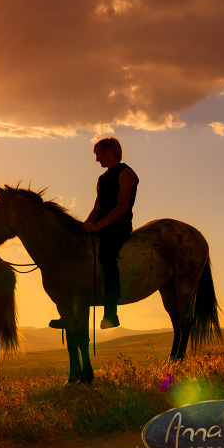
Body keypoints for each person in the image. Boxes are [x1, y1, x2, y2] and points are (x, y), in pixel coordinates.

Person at [83, 137, 139, 329]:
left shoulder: (126, 173)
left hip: (119, 226)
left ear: (111, 151)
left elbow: (122, 207)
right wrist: (85, 226)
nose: (97, 159)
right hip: (102, 225)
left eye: (99, 153)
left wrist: (98, 227)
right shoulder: (102, 179)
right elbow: (97, 208)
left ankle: (111, 314)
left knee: (107, 256)